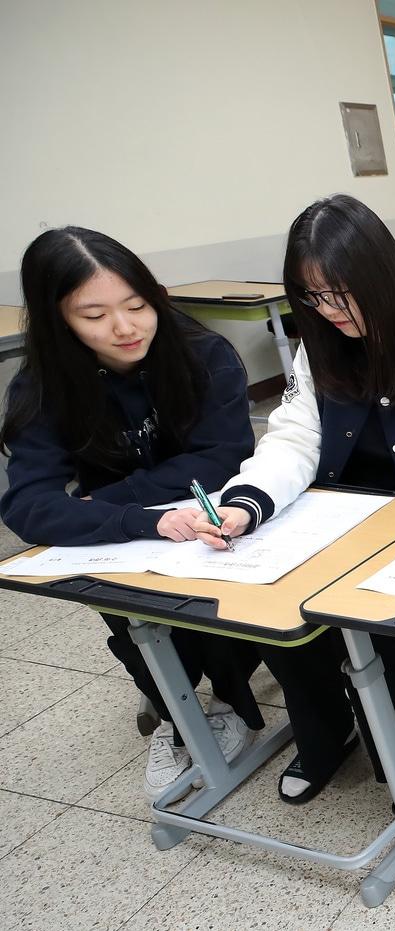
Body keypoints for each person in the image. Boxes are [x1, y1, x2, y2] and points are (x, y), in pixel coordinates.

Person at [181, 194, 395, 805]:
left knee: (386, 631)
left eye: (341, 294)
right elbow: (296, 438)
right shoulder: (321, 348)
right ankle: (325, 733)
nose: (329, 312)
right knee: (278, 610)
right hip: (333, 522)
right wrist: (245, 502)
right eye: (313, 297)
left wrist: (383, 555)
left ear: (380, 278)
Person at [0, 226, 262, 801]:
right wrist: (139, 519)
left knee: (224, 619)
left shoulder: (203, 354)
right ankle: (174, 711)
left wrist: (111, 498)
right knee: (136, 625)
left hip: (209, 517)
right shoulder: (43, 387)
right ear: (57, 319)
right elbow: (25, 504)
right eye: (94, 315)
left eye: (137, 306)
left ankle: (228, 698)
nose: (124, 328)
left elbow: (224, 455)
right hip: (123, 536)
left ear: (156, 296)